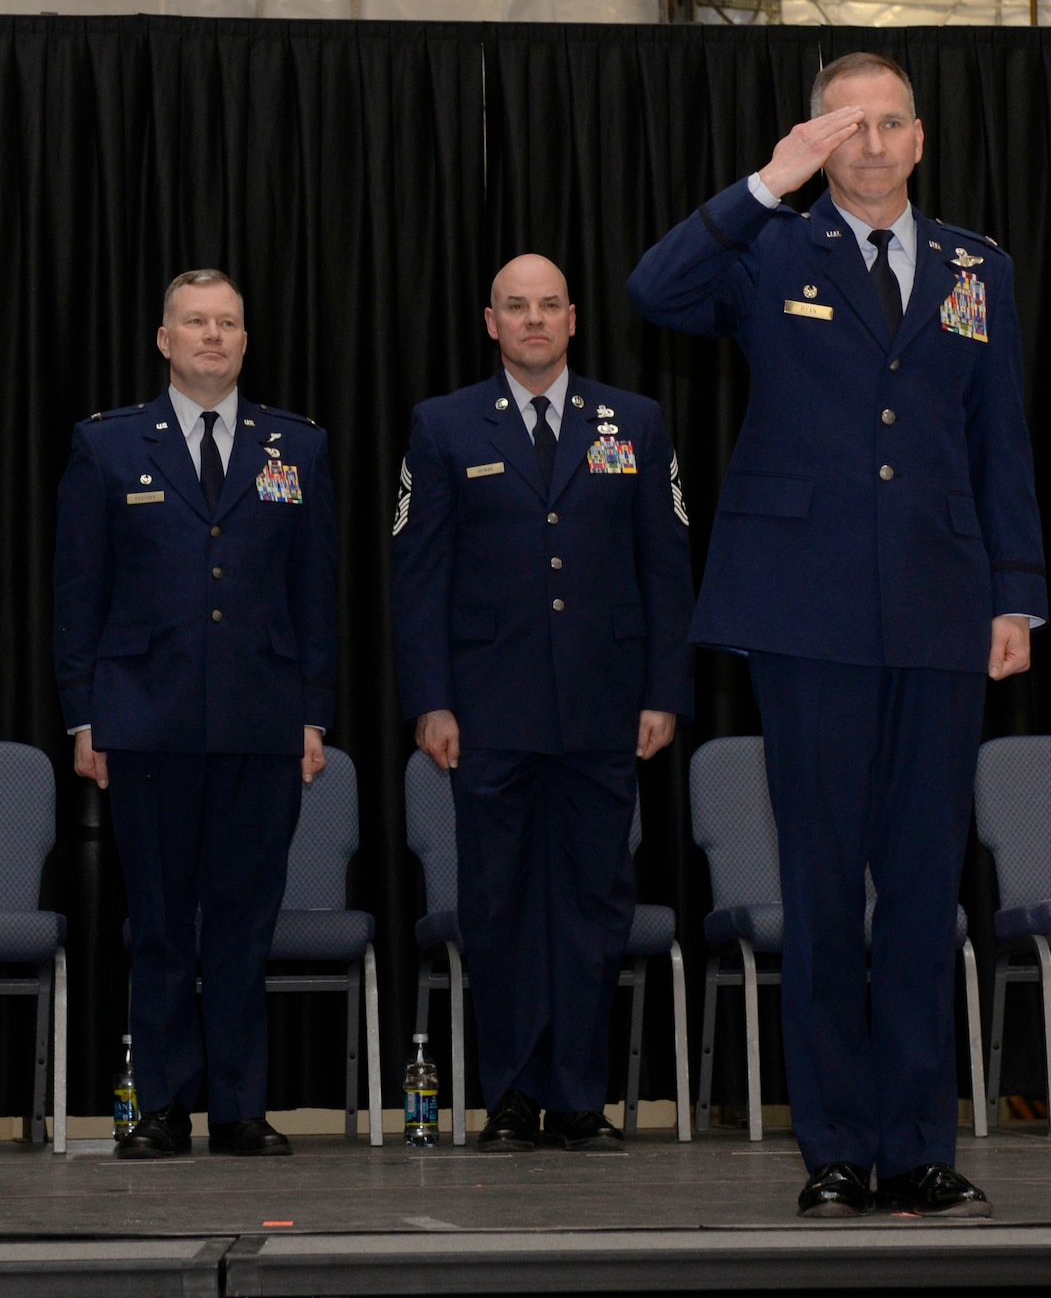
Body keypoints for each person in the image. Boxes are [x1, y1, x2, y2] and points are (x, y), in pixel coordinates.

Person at [628, 52, 1047, 1218]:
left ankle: (916, 1143)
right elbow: (654, 292)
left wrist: (1014, 594)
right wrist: (765, 185)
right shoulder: (767, 247)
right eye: (843, 126)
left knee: (920, 887)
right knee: (820, 887)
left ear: (920, 141)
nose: (868, 141)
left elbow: (996, 437)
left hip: (939, 606)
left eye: (889, 123)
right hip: (803, 607)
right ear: (814, 139)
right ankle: (834, 1147)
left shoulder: (977, 268)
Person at [393, 254, 695, 1152]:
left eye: (549, 305)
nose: (533, 320)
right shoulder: (443, 426)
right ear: (491, 323)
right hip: (487, 712)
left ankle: (578, 1096)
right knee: (499, 905)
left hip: (605, 707)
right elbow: (420, 577)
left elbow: (666, 566)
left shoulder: (633, 420)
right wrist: (431, 699)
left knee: (592, 904)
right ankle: (514, 1094)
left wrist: (663, 689)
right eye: (515, 307)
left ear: (572, 319)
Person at [54, 269, 338, 1159]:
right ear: (164, 340)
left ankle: (242, 1107)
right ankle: (163, 1107)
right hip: (144, 717)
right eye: (194, 322)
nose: (212, 336)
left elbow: (316, 592)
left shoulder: (297, 446)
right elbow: (77, 592)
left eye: (227, 323)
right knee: (163, 922)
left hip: (262, 719)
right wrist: (81, 714)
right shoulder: (107, 446)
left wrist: (314, 712)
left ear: (245, 342)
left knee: (247, 919)